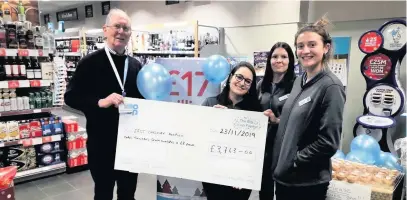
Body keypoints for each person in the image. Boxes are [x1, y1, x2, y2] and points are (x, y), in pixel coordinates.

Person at [64, 9, 143, 200]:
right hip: (102, 144)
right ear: (105, 29)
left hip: (130, 144)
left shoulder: (135, 65)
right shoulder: (90, 63)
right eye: (117, 26)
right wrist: (99, 102)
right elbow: (71, 97)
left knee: (128, 193)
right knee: (103, 192)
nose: (122, 31)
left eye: (126, 28)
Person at [271, 16, 346, 200]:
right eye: (300, 46)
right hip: (285, 179)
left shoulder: (330, 87)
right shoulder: (300, 81)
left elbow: (328, 142)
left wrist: (294, 161)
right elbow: (301, 122)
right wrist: (278, 121)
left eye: (312, 45)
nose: (305, 51)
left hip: (306, 183)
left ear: (326, 47)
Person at [201, 61, 261, 200]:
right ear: (230, 77)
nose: (242, 83)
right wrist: (210, 118)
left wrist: (244, 175)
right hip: (213, 174)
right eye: (239, 77)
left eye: (247, 81)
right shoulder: (210, 103)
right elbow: (199, 136)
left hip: (240, 179)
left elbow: (255, 148)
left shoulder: (254, 112)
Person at [257, 42, 296, 200]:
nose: (279, 60)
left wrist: (277, 120)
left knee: (283, 191)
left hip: (284, 147)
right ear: (269, 60)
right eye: (274, 56)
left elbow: (298, 120)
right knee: (264, 189)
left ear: (290, 61)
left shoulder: (297, 85)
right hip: (263, 148)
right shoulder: (261, 85)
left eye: (284, 57)